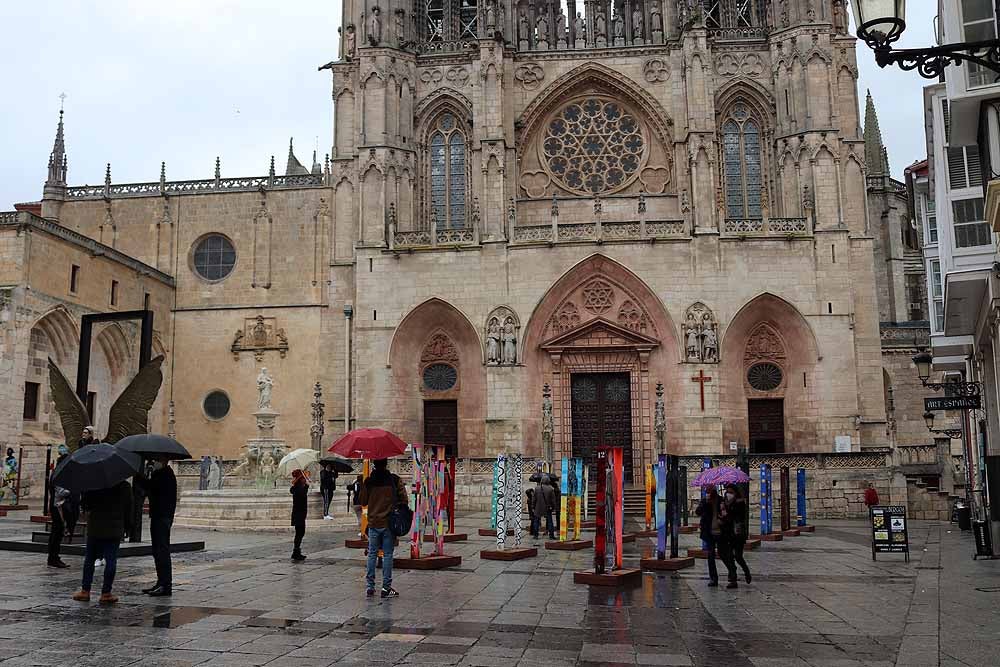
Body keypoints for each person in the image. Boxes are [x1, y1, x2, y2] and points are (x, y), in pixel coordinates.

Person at [73, 480, 132, 604]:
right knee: (111, 559)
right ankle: (106, 593)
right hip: (114, 526)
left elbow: (85, 504)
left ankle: (85, 591)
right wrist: (127, 527)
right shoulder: (124, 486)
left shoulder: (94, 483)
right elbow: (129, 508)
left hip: (96, 525)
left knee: (90, 558)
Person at [358, 458, 408, 598]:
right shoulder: (394, 480)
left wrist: (364, 485)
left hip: (373, 523)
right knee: (388, 555)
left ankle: (370, 587)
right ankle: (386, 588)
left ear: (374, 464)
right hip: (388, 524)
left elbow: (362, 501)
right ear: (386, 464)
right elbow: (404, 499)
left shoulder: (369, 481)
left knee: (372, 554)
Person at [136, 456, 177, 596]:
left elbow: (152, 488)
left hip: (162, 516)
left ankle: (165, 585)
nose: (154, 462)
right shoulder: (160, 474)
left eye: (157, 460)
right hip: (159, 515)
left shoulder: (165, 475)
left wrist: (140, 477)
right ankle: (161, 582)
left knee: (162, 550)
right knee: (157, 550)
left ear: (165, 461)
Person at [47, 445, 77, 569]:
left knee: (57, 531)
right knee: (57, 531)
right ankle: (53, 557)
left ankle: (53, 557)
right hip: (57, 506)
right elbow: (61, 492)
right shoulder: (58, 474)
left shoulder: (57, 473)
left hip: (57, 505)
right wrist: (72, 489)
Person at [718, 484, 751, 589]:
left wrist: (728, 512)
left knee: (738, 556)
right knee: (729, 556)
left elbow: (738, 516)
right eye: (727, 492)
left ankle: (746, 571)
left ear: (735, 493)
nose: (729, 494)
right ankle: (733, 579)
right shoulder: (724, 503)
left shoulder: (739, 503)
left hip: (738, 533)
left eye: (731, 492)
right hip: (728, 533)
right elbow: (725, 517)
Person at [695, 486, 722, 587]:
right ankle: (713, 578)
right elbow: (698, 512)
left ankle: (732, 573)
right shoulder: (704, 501)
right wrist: (706, 503)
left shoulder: (720, 500)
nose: (708, 493)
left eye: (710, 491)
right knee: (711, 556)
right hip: (709, 531)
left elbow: (724, 513)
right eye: (707, 492)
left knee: (723, 554)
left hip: (720, 531)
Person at [290, 469, 309, 561]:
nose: (305, 479)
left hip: (299, 513)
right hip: (299, 514)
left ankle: (296, 551)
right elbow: (302, 496)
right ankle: (296, 552)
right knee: (300, 533)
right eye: (303, 478)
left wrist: (305, 487)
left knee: (300, 533)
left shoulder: (298, 488)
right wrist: (306, 487)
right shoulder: (298, 489)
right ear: (300, 479)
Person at [531, 475, 556, 540]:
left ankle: (535, 535)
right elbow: (553, 500)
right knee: (550, 521)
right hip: (547, 508)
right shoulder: (551, 489)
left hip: (538, 507)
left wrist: (533, 507)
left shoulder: (537, 488)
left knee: (536, 521)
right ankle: (551, 535)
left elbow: (534, 499)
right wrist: (553, 507)